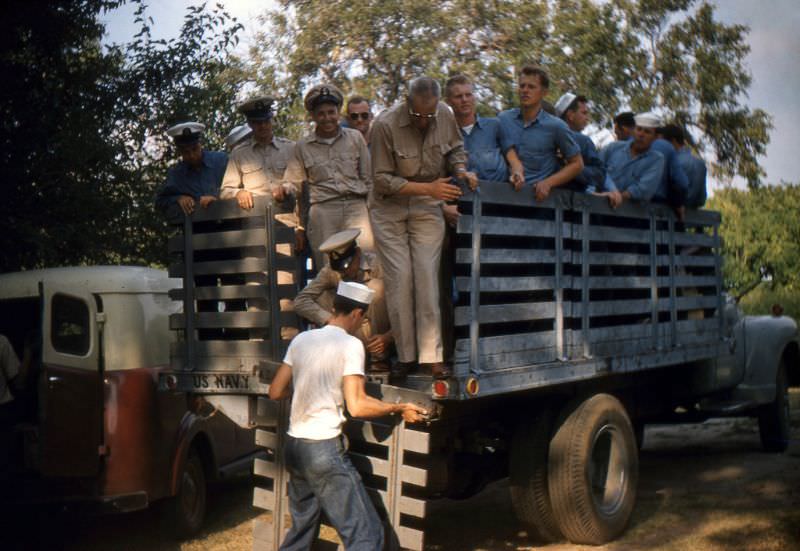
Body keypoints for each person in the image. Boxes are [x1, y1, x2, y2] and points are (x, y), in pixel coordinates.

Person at [268, 281, 427, 551]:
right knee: (366, 536)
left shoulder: (302, 339)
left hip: (295, 447)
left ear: (334, 308)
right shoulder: (351, 345)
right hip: (323, 451)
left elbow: (275, 391)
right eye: (362, 318)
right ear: (357, 314)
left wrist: (307, 393)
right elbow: (358, 406)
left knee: (301, 530)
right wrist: (397, 408)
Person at [369, 76, 477, 379]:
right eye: (419, 115)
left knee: (427, 279)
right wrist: (427, 189)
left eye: (430, 115)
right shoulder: (384, 125)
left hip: (426, 207)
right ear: (407, 103)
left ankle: (432, 356)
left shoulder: (444, 114)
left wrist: (460, 171)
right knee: (400, 280)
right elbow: (380, 179)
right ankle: (404, 355)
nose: (425, 121)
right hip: (389, 208)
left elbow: (456, 148)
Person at [284, 84, 374, 269]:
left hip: (356, 208)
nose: (327, 118)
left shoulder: (355, 138)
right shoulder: (302, 146)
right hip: (323, 211)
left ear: (339, 112)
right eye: (321, 113)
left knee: (367, 264)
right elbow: (293, 183)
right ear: (313, 116)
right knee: (328, 271)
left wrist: (372, 213)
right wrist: (285, 189)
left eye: (331, 112)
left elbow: (368, 179)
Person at [293, 229, 392, 372]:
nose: (344, 273)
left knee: (376, 291)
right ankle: (340, 353)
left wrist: (388, 337)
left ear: (357, 253)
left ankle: (379, 359)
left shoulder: (379, 265)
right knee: (322, 296)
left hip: (380, 335)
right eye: (339, 269)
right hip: (348, 333)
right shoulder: (331, 271)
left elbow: (406, 308)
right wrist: (329, 319)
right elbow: (301, 300)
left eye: (346, 267)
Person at [498, 66, 583, 200]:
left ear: (544, 92)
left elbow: (577, 164)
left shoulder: (556, 126)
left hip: (536, 202)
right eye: (522, 86)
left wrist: (548, 183)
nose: (525, 90)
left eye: (531, 87)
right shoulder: (503, 119)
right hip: (500, 196)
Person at [220, 95, 296, 208]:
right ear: (250, 124)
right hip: (254, 217)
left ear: (272, 120)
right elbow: (225, 191)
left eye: (266, 121)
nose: (263, 126)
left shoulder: (290, 148)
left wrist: (286, 187)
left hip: (288, 215)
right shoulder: (239, 153)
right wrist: (238, 193)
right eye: (257, 122)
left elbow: (303, 181)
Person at [444, 74, 509, 184]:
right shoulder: (444, 134)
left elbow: (512, 156)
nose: (464, 100)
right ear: (448, 101)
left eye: (468, 95)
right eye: (458, 96)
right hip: (459, 197)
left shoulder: (495, 126)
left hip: (498, 197)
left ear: (474, 97)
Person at [155, 122, 227, 219]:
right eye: (186, 152)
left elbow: (237, 187)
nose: (192, 155)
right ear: (179, 152)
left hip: (229, 222)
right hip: (196, 230)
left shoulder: (221, 161)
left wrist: (218, 198)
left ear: (200, 145)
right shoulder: (177, 174)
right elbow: (160, 201)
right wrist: (178, 198)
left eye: (194, 149)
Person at [599, 112, 666, 208]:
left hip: (628, 217)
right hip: (597, 206)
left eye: (647, 132)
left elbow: (643, 190)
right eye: (639, 129)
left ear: (655, 137)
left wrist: (616, 197)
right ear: (633, 131)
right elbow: (596, 168)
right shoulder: (613, 148)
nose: (641, 134)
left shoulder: (656, 160)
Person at [554, 92, 606, 192]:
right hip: (572, 204)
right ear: (570, 115)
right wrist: (574, 168)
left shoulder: (543, 134)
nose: (587, 118)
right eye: (584, 113)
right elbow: (599, 175)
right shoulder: (583, 141)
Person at [659, 124, 708, 208]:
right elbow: (701, 199)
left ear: (673, 141)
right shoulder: (700, 163)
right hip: (693, 217)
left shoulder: (669, 162)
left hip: (667, 214)